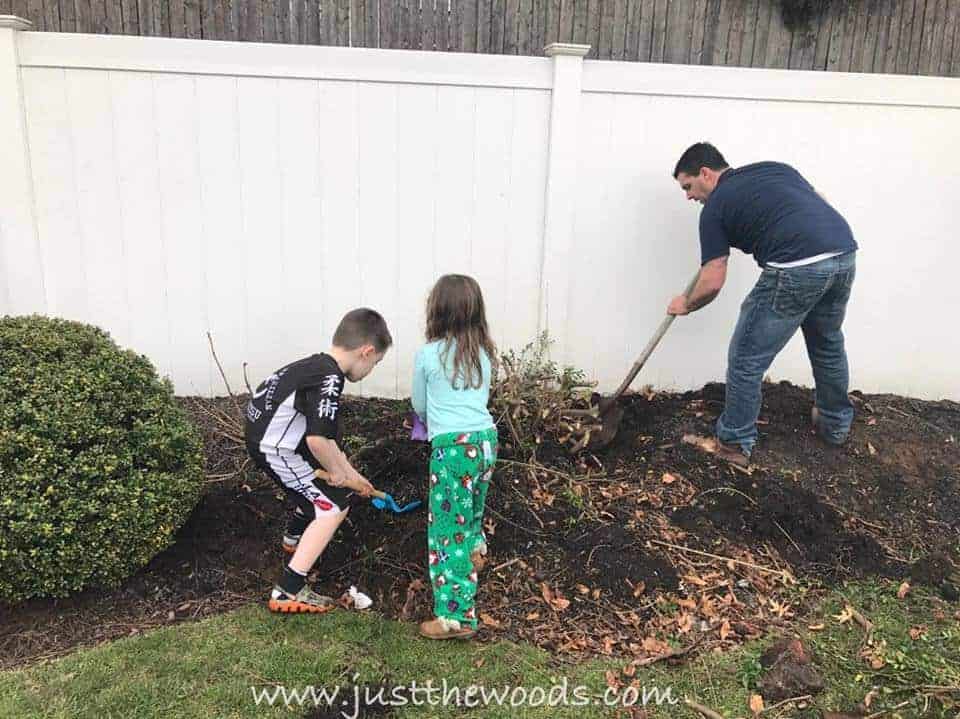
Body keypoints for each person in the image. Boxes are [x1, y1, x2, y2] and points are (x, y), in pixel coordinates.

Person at [668, 142, 858, 467]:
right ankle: (835, 424)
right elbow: (819, 201)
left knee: (746, 360)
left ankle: (732, 445)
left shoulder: (715, 208)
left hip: (796, 268)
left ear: (706, 173)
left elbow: (712, 279)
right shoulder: (775, 168)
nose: (688, 196)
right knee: (827, 342)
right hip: (842, 252)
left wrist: (686, 303)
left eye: (688, 187)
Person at [245, 308, 390, 613]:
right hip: (277, 449)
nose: (370, 371)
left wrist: (352, 475)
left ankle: (294, 538)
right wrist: (338, 474)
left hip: (274, 441)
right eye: (375, 364)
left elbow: (327, 440)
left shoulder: (315, 365)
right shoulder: (330, 378)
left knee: (319, 492)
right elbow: (316, 441)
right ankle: (289, 590)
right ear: (367, 351)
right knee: (333, 506)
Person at [411, 275, 499, 640]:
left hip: (452, 450)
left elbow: (419, 404)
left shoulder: (428, 355)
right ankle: (476, 552)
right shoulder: (483, 353)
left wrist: (428, 420)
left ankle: (455, 616)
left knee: (447, 532)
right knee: (473, 509)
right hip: (485, 441)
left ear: (438, 311)